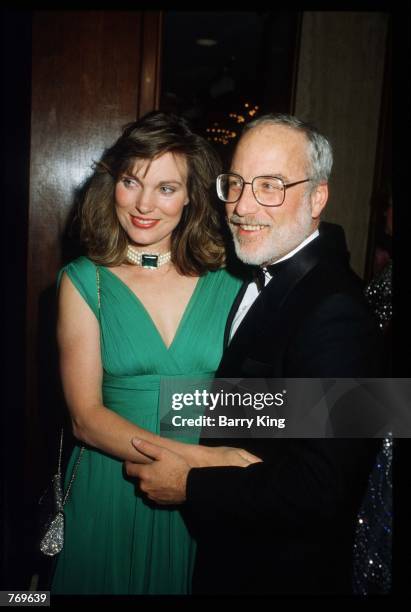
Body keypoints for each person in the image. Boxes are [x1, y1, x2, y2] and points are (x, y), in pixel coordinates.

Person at [125, 113, 383, 595]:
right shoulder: (259, 275)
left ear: (317, 198)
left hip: (278, 575)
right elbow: (269, 414)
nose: (242, 206)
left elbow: (326, 488)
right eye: (238, 183)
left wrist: (191, 484)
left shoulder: (338, 311)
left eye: (270, 186)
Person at [51, 111, 261, 595]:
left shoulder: (231, 279)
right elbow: (84, 418)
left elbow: (256, 396)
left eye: (166, 188)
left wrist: (365, 412)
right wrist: (200, 464)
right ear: (113, 184)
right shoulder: (86, 281)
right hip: (114, 483)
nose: (144, 204)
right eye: (132, 181)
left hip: (205, 499)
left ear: (192, 196)